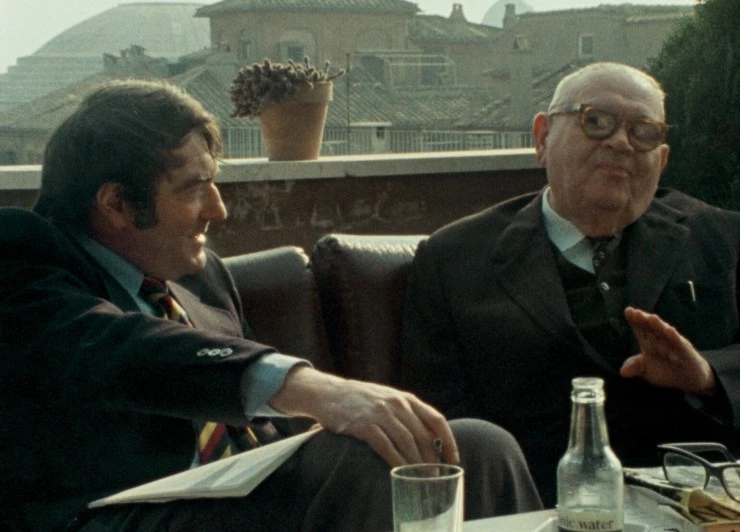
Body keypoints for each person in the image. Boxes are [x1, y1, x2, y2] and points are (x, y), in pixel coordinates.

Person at [0, 78, 543, 531]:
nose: (218, 210)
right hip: (106, 514)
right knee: (361, 463)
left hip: (237, 503)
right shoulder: (22, 255)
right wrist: (316, 390)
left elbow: (254, 438)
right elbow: (117, 349)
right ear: (116, 203)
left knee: (475, 447)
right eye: (194, 187)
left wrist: (317, 433)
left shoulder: (202, 278)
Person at [398, 61, 740, 507]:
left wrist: (708, 377)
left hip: (701, 505)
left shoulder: (722, 239)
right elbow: (437, 432)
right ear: (542, 138)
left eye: (643, 132)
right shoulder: (455, 260)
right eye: (595, 121)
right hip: (532, 509)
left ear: (662, 159)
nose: (621, 142)